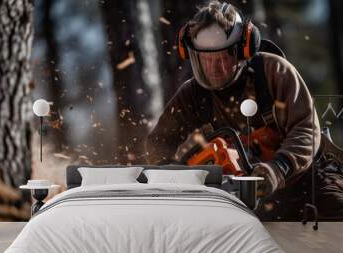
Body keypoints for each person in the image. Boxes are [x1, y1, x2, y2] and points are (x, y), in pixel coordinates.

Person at [144, 0, 343, 220]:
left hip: (305, 181)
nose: (215, 68)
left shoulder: (273, 72)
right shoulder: (192, 94)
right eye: (206, 59)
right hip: (242, 198)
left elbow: (306, 129)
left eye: (223, 57)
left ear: (243, 49)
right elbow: (158, 142)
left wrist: (278, 168)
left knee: (336, 215)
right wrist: (173, 176)